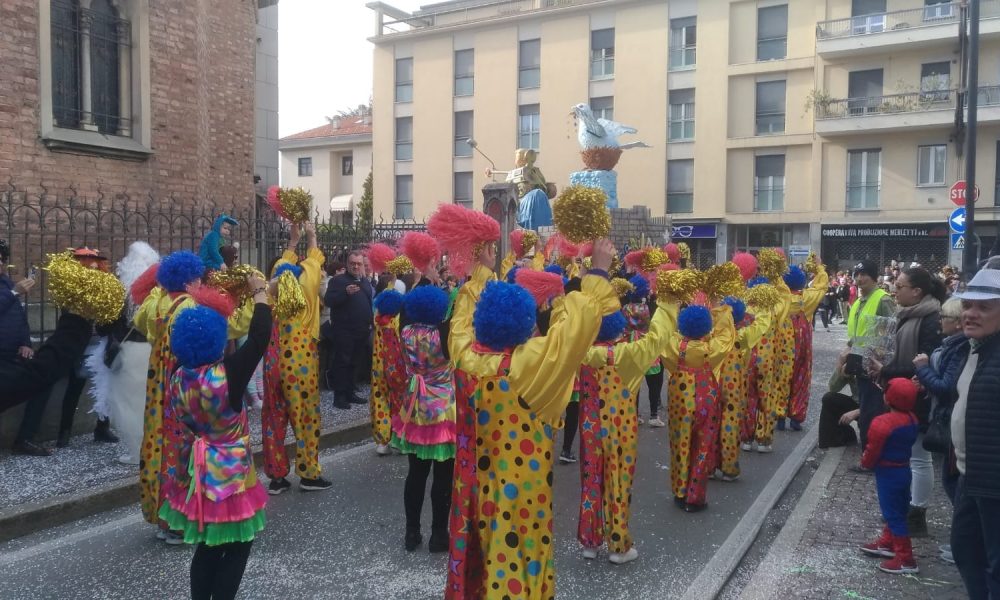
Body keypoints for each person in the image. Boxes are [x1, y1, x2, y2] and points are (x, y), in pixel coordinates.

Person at [446, 239, 618, 600]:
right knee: (520, 559)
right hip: (522, 493)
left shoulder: (463, 359)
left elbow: (460, 321)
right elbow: (573, 333)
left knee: (482, 551)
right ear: (525, 325)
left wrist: (479, 269)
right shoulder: (529, 364)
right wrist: (597, 273)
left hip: (474, 487)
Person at [158, 275, 271, 600]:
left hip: (197, 471)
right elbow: (260, 337)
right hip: (231, 474)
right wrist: (259, 292)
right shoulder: (229, 374)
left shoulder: (177, 375)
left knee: (207, 546)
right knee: (238, 546)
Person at [576, 302, 674, 564]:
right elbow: (656, 339)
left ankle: (590, 542)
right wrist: (669, 304)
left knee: (591, 478)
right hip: (620, 428)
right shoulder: (628, 353)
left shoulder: (581, 354)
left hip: (590, 427)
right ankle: (618, 545)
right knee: (618, 480)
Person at [865, 266, 944, 535]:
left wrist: (887, 370)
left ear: (917, 291)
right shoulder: (907, 314)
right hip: (901, 393)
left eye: (899, 287)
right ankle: (905, 507)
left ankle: (917, 513)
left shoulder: (931, 319)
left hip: (920, 396)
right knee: (909, 457)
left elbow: (922, 364)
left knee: (920, 457)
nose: (894, 291)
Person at [133, 250, 204, 542]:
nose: (201, 282)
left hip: (158, 385)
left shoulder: (157, 303)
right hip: (180, 384)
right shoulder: (190, 306)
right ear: (189, 281)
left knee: (158, 445)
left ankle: (161, 514)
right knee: (182, 448)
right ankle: (178, 522)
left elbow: (140, 318)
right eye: (197, 278)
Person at [262, 222, 331, 493]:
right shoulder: (306, 287)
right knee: (306, 417)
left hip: (273, 360)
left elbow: (281, 266)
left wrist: (292, 241)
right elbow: (314, 261)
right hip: (300, 362)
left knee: (273, 416)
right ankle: (309, 473)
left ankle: (277, 477)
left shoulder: (272, 292)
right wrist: (311, 236)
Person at [949, 265, 1000, 599]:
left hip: (993, 479)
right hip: (970, 473)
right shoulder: (973, 347)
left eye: (984, 307)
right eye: (967, 305)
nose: (971, 313)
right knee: (965, 549)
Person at [86, 241, 160, 465]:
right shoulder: (158, 291)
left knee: (128, 404)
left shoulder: (121, 292)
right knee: (150, 402)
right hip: (153, 349)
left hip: (128, 352)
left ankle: (137, 452)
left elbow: (104, 327)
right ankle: (154, 448)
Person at [392, 286, 454, 553]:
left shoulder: (405, 332)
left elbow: (404, 311)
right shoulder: (444, 335)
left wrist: (422, 277)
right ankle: (438, 534)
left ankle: (412, 531)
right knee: (443, 477)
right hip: (442, 412)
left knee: (415, 474)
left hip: (415, 409)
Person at [913, 296, 968, 564]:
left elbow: (946, 387)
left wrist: (923, 370)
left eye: (944, 317)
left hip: (950, 422)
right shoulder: (953, 346)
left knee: (954, 483)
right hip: (946, 418)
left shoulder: (959, 349)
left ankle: (965, 544)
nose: (940, 322)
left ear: (957, 323)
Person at [859, 377, 920, 575]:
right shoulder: (912, 419)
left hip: (887, 472)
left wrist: (865, 463)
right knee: (899, 508)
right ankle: (888, 542)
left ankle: (905, 558)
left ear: (888, 397)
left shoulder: (882, 423)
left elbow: (873, 449)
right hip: (904, 469)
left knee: (893, 513)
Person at [842, 259, 897, 465]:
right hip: (859, 364)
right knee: (866, 411)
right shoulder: (858, 302)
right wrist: (847, 352)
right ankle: (868, 455)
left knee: (872, 413)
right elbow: (856, 335)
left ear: (874, 277)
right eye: (856, 274)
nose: (859, 278)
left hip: (875, 367)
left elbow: (892, 334)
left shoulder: (883, 300)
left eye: (864, 274)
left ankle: (871, 459)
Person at [324, 250, 374, 409]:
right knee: (342, 363)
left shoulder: (364, 281)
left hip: (362, 329)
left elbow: (368, 302)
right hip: (344, 330)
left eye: (359, 264)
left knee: (355, 362)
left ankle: (350, 392)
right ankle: (339, 396)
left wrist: (371, 321)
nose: (356, 266)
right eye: (353, 263)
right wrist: (345, 293)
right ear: (347, 264)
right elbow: (328, 300)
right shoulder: (338, 281)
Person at [784, 264, 830, 430]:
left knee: (781, 375)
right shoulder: (807, 297)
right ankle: (796, 417)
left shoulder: (780, 298)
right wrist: (819, 268)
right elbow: (822, 286)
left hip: (783, 343)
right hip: (803, 345)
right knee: (801, 376)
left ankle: (779, 413)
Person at [370, 290, 406, 456]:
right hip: (398, 368)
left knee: (380, 400)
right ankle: (400, 439)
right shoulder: (397, 322)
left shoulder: (378, 322)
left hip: (379, 365)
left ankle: (382, 442)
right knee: (400, 402)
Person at [486, 148, 553, 231]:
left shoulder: (530, 172)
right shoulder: (534, 172)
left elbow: (507, 190)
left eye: (517, 158)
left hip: (521, 203)